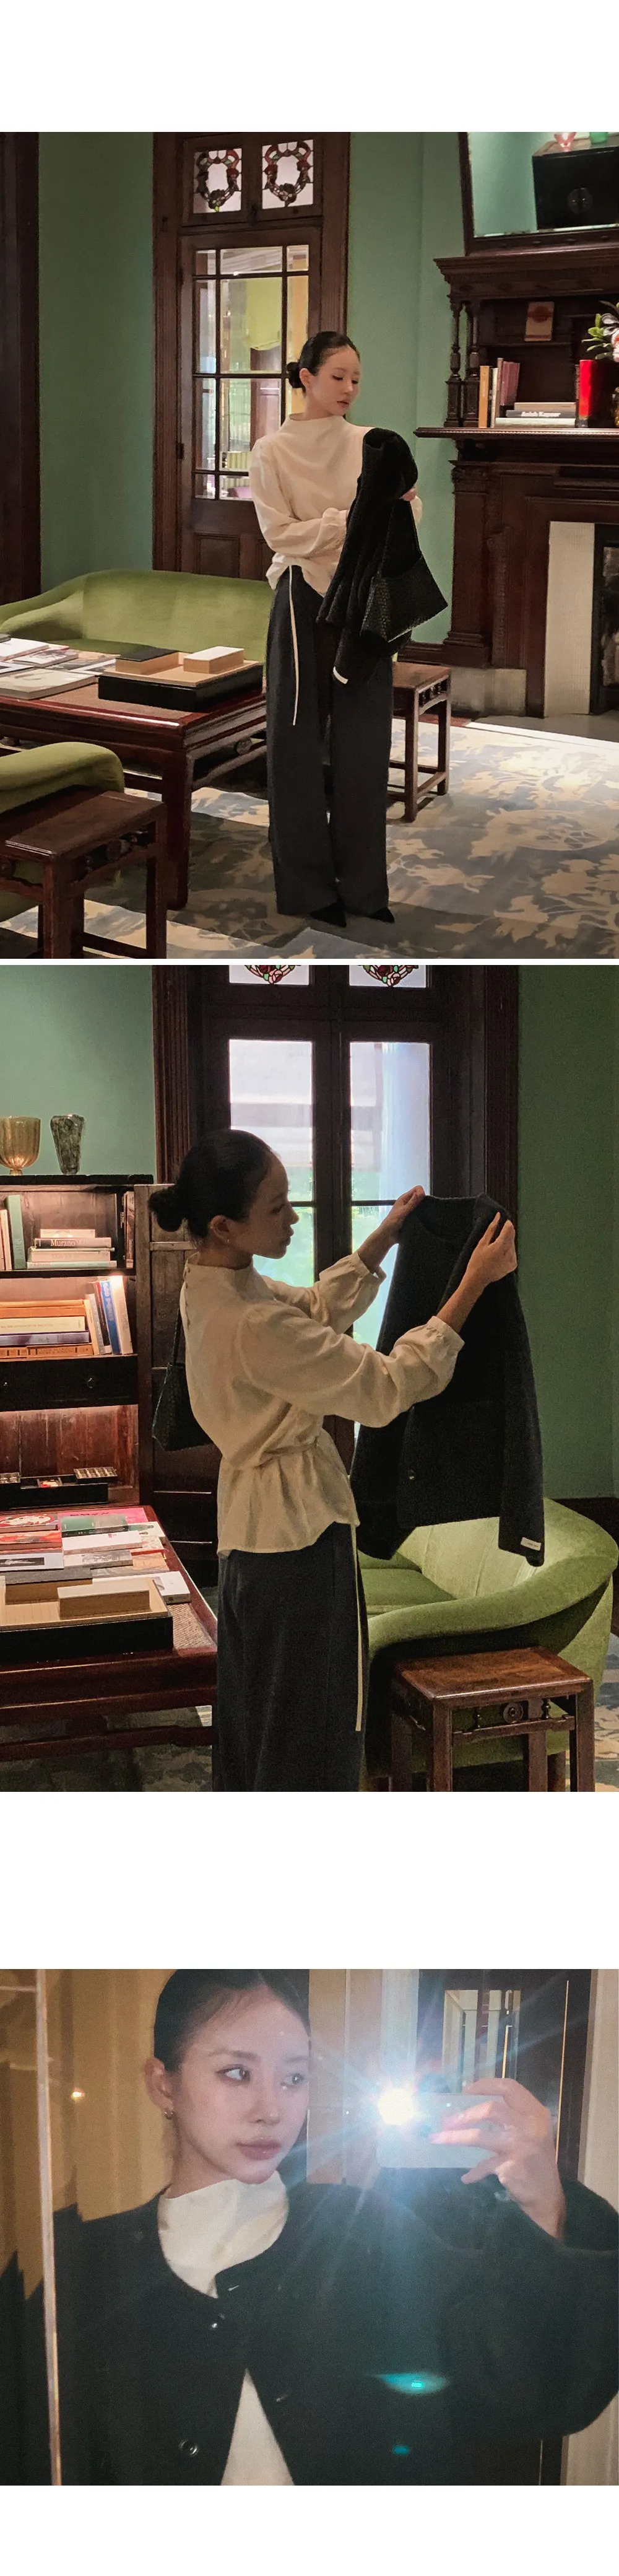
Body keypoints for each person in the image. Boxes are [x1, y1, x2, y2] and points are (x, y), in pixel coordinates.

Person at [15, 1970, 618, 2486]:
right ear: (163, 2083)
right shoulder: (85, 2272)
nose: (271, 2108)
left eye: (295, 2077)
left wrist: (542, 2197)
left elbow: (529, 2390)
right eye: (236, 2072)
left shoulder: (370, 2234)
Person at [150, 1132, 518, 1792]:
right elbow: (386, 1387)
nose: (293, 1217)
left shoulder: (211, 1285)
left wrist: (384, 1238)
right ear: (223, 1225)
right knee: (312, 1725)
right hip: (297, 1537)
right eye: (276, 1207)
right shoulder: (252, 1324)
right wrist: (472, 1283)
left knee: (262, 1715)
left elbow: (314, 1310)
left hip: (253, 1535)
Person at [248, 330, 421, 927]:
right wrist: (352, 520)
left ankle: (366, 891)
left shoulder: (374, 445)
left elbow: (407, 515)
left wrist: (344, 524)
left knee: (366, 744)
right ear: (306, 377)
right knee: (294, 745)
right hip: (300, 600)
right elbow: (280, 535)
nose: (349, 388)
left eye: (356, 379)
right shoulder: (271, 450)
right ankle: (308, 891)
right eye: (338, 376)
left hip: (365, 602)